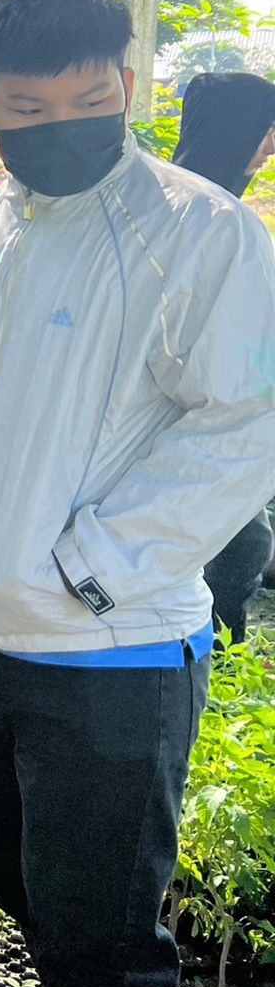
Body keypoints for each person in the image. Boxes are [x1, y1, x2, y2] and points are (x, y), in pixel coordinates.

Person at [0, 0, 275, 987]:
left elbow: (242, 427)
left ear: (125, 85)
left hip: (106, 652)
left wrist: (91, 569)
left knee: (102, 946)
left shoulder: (197, 234)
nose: (58, 127)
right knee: (24, 897)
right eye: (26, 109)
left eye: (86, 100)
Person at [170, 70, 275, 644]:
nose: (271, 147)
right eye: (265, 131)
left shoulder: (180, 196)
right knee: (241, 548)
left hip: (213, 405)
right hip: (193, 412)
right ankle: (210, 659)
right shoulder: (213, 216)